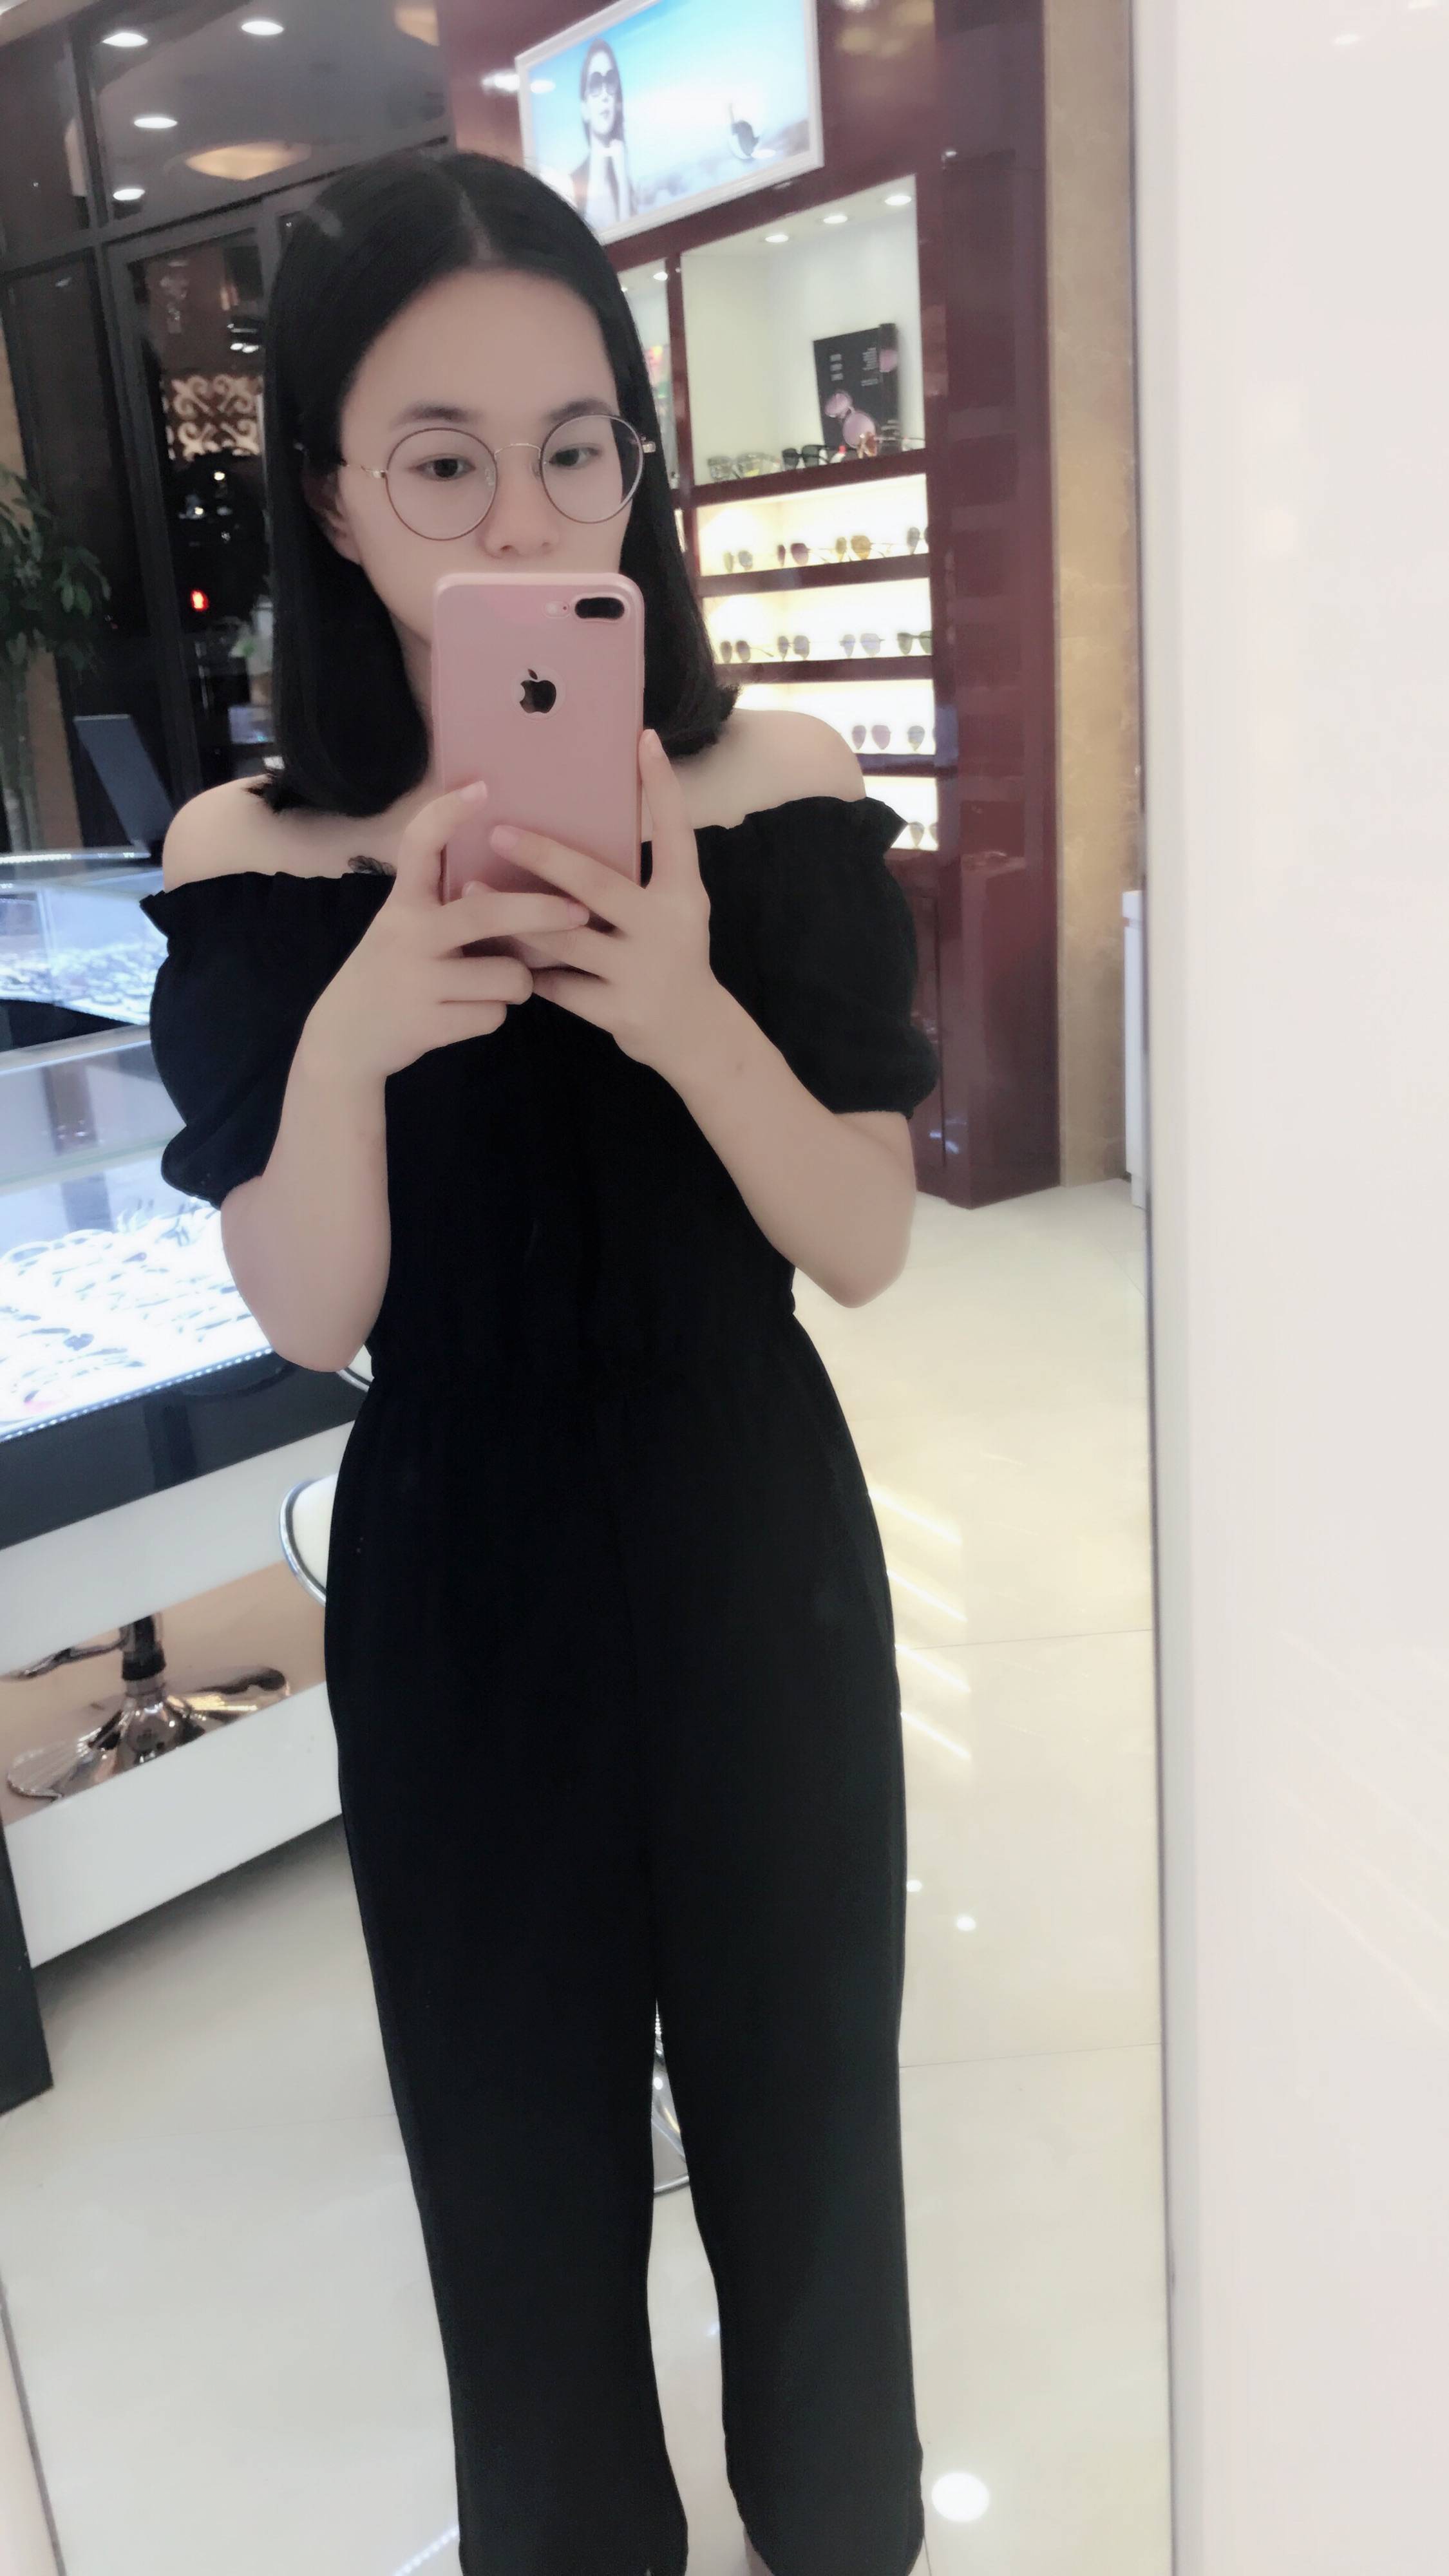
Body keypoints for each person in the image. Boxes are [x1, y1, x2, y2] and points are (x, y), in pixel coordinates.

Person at [139, 146, 934, 2576]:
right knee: (511, 2171)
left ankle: (839, 2526)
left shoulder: (776, 790)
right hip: (458, 1576)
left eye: (576, 446)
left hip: (752, 1543)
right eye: (441, 460)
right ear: (331, 500)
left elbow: (862, 1238)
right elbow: (312, 1311)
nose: (522, 515)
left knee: (814, 2127)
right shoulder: (256, 858)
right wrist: (362, 1022)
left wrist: (679, 1007)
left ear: (636, 462)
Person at [571, 37, 636, 231]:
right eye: (595, 84)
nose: (605, 94)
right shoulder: (570, 185)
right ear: (584, 108)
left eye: (610, 81)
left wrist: (623, 185)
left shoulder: (626, 177)